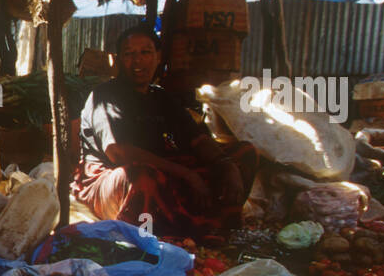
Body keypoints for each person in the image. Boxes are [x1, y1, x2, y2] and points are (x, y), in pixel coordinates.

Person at [71, 24, 255, 235]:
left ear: (158, 57)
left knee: (243, 154)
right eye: (129, 54)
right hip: (110, 181)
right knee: (139, 176)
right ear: (119, 60)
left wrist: (226, 165)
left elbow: (197, 139)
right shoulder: (104, 96)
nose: (137, 61)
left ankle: (212, 228)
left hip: (162, 171)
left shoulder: (162, 97)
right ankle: (150, 237)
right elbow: (118, 152)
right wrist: (185, 174)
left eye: (145, 52)